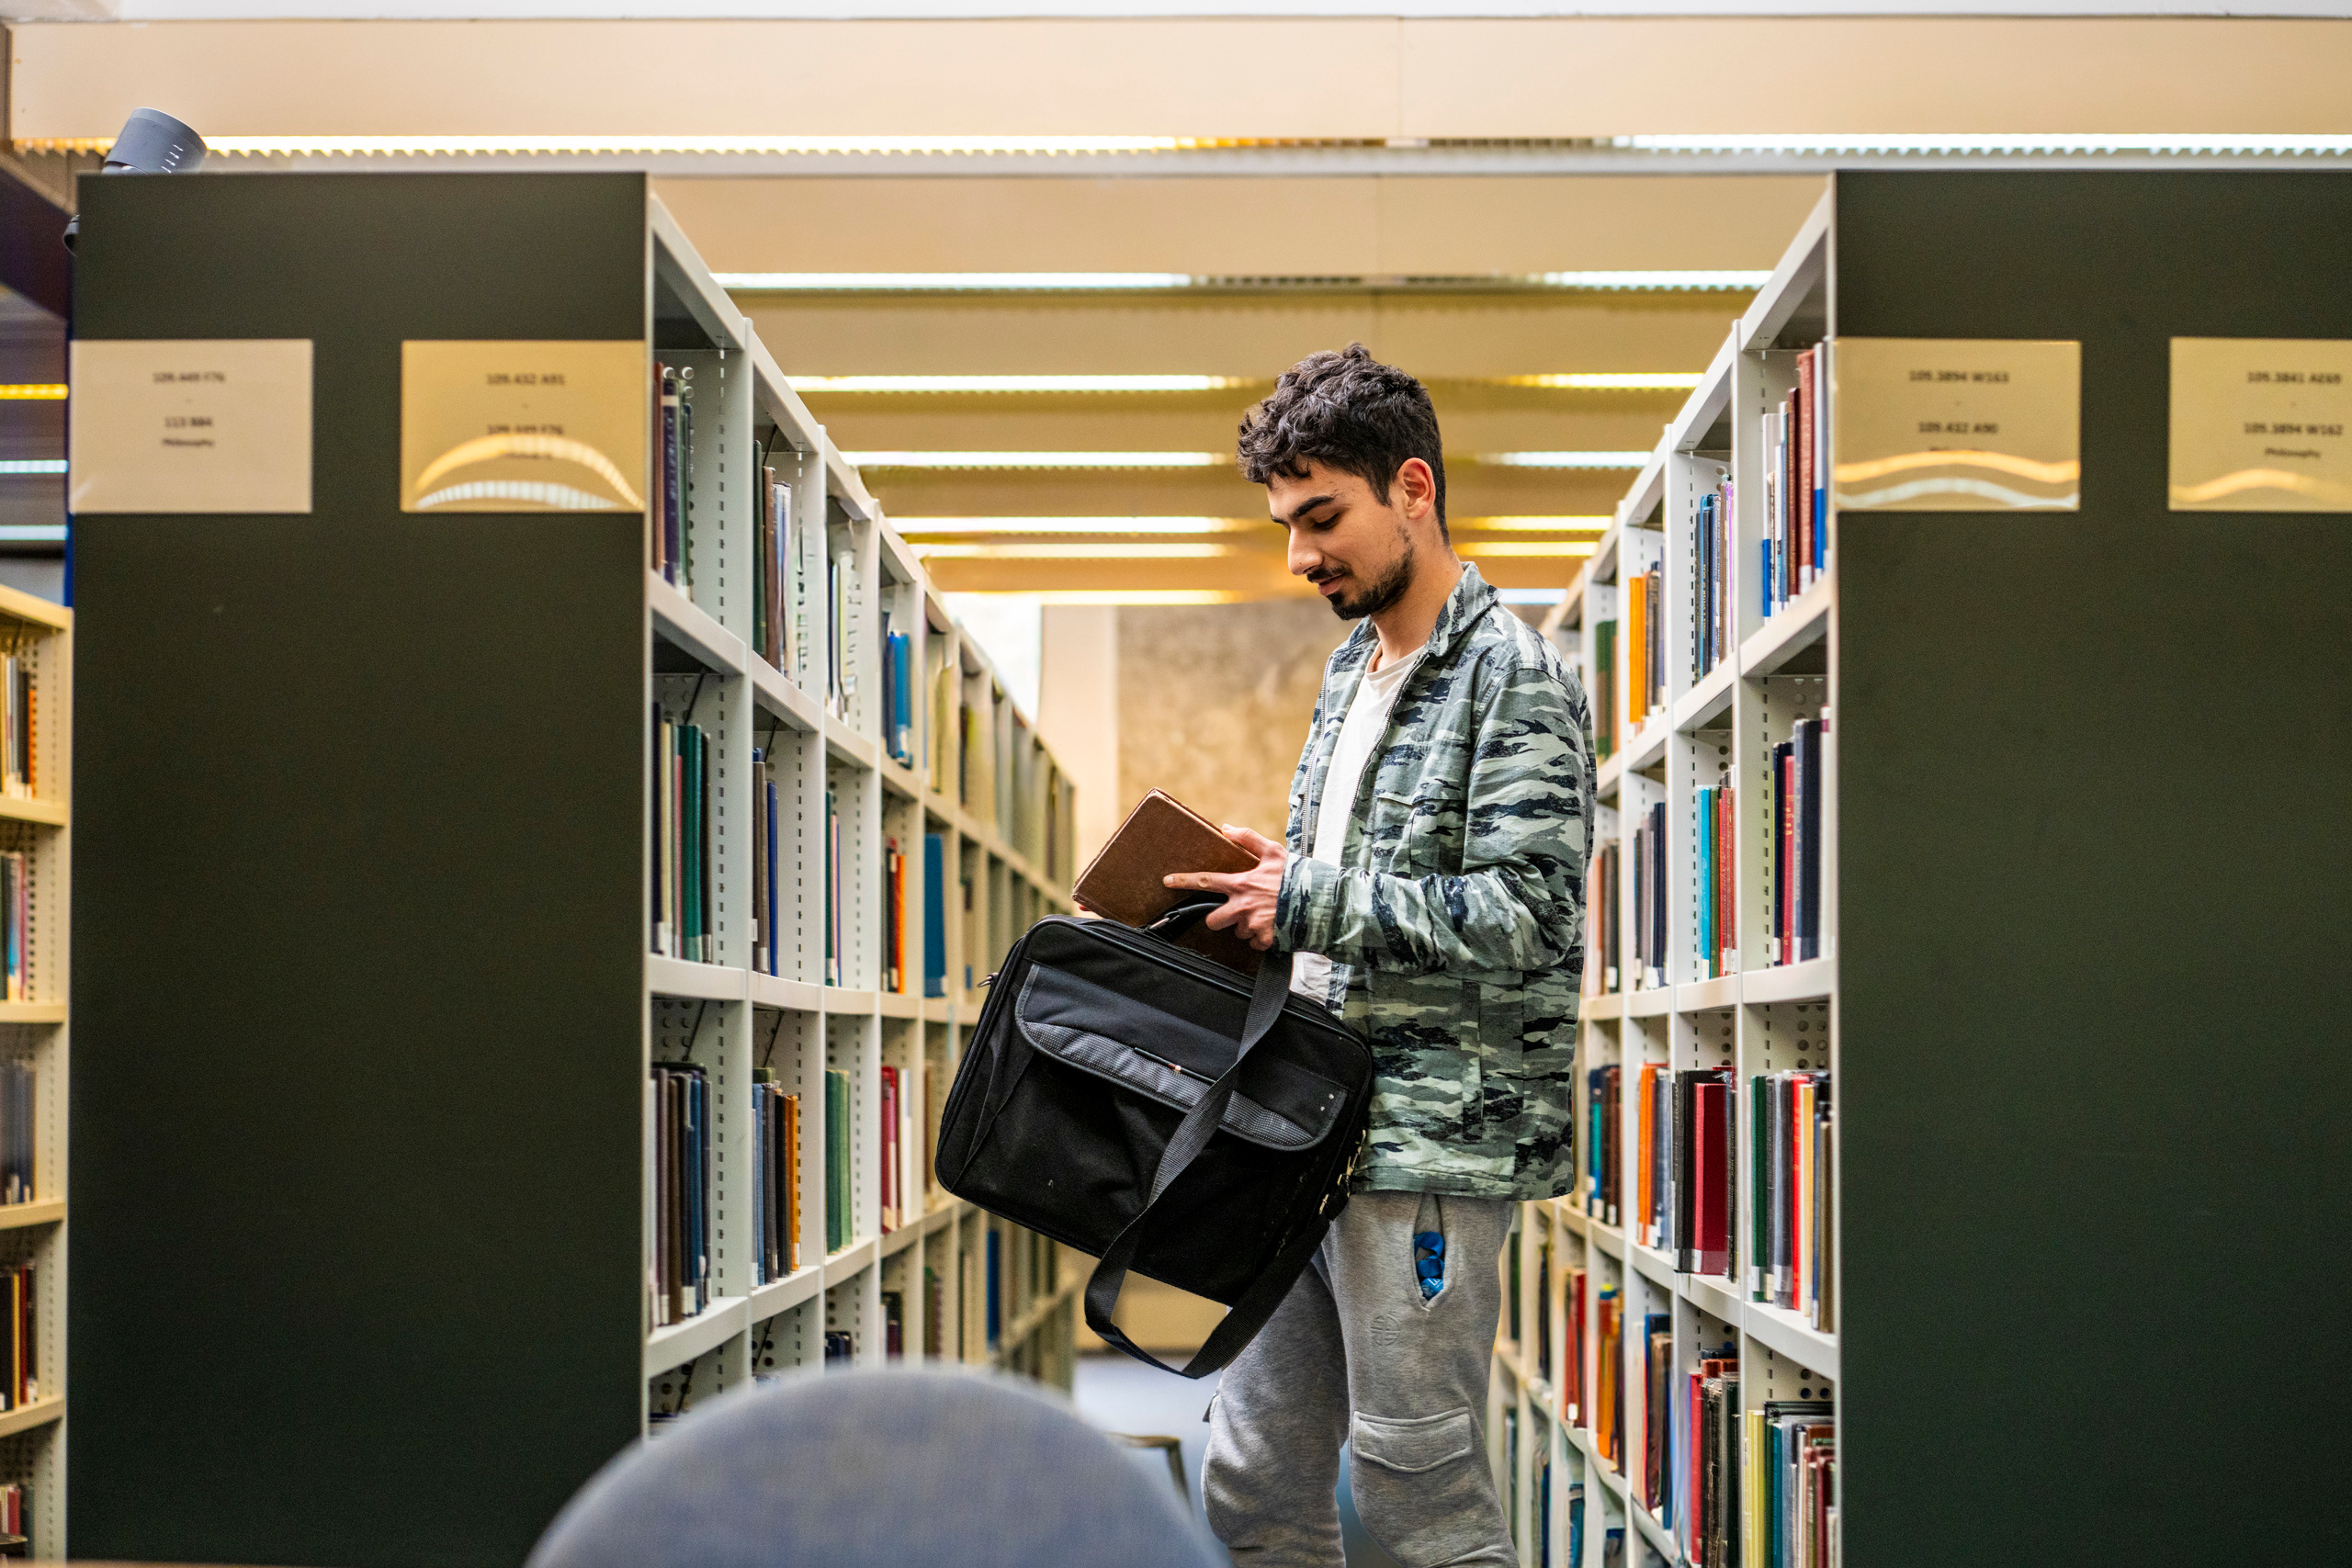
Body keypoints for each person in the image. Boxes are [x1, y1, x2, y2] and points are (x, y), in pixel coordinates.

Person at [1163, 344, 1593, 1567]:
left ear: (1413, 486)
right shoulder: (1356, 669)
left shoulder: (1514, 679)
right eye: (1286, 524)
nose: (1300, 555)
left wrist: (1309, 893)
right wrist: (1278, 869)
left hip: (1424, 1150)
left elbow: (1527, 912)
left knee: (1417, 1499)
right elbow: (1361, 883)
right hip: (1302, 1124)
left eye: (1322, 516)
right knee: (1252, 1478)